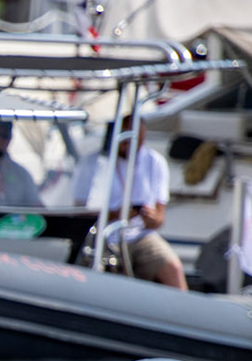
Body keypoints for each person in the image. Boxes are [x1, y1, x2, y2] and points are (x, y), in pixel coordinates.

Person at [72, 117, 187, 290]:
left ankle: (182, 313)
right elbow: (80, 215)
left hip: (140, 235)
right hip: (103, 235)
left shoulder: (154, 162)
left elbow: (159, 219)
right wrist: (117, 215)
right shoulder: (93, 164)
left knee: (173, 268)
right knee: (96, 275)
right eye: (127, 141)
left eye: (138, 141)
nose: (132, 147)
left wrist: (149, 217)